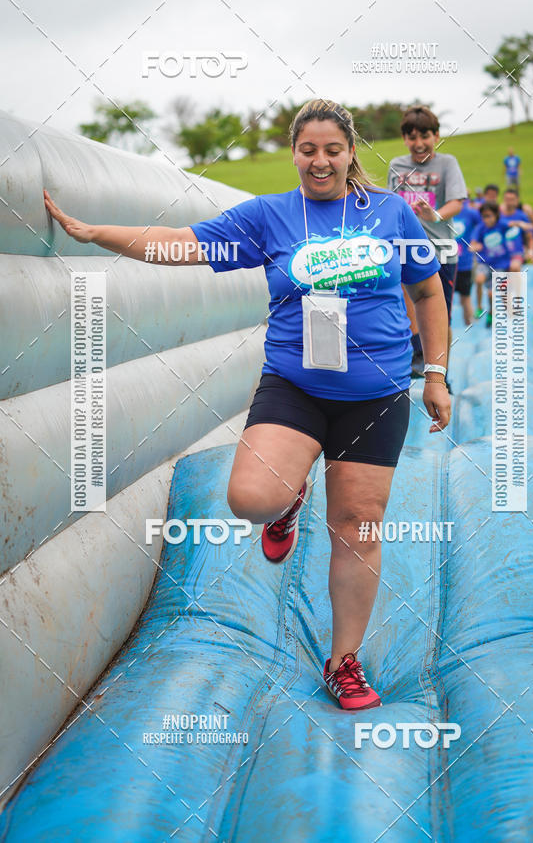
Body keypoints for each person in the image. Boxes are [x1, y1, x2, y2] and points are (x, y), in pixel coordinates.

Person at [43, 98, 451, 712]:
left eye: (332, 149)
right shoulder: (269, 216)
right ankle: (288, 501)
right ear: (294, 153)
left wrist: (437, 374)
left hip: (376, 392)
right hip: (296, 385)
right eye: (308, 149)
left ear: (350, 154)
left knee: (358, 527)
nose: (320, 160)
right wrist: (96, 234)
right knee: (251, 499)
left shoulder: (391, 213)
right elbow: (180, 246)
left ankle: (344, 662)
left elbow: (427, 289)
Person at [387, 105, 467, 393]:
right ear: (404, 139)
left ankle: (441, 374)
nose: (418, 143)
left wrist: (434, 214)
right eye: (411, 137)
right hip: (406, 248)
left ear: (436, 135)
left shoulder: (447, 164)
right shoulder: (397, 165)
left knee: (440, 314)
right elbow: (390, 206)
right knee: (407, 307)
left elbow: (457, 201)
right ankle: (415, 356)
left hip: (441, 249)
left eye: (424, 136)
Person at [471, 203, 513, 328]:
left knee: (492, 294)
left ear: (496, 216)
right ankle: (479, 307)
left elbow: (513, 225)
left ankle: (491, 312)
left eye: (489, 216)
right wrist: (475, 247)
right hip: (484, 263)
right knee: (478, 280)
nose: (486, 220)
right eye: (484, 217)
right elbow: (473, 243)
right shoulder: (480, 228)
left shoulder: (502, 225)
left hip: (500, 264)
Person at [453, 201, 480, 325]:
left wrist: (476, 242)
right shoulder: (441, 209)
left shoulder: (470, 213)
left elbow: (483, 225)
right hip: (445, 263)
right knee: (443, 299)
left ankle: (469, 328)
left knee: (465, 298)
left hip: (465, 263)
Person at [500, 188, 533, 268]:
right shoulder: (498, 216)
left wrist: (531, 251)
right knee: (500, 278)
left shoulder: (521, 216)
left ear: (517, 200)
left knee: (515, 267)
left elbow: (529, 236)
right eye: (507, 199)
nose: (509, 202)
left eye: (512, 199)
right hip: (500, 254)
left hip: (517, 253)